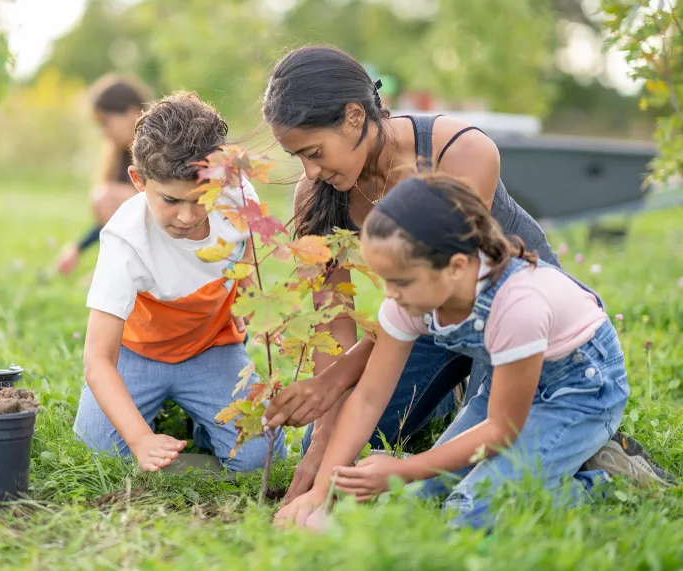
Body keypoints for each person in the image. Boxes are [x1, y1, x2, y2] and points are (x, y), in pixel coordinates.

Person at [260, 44, 673, 503]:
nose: (309, 171)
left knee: (482, 454)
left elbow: (450, 283)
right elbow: (336, 319)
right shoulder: (318, 192)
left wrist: (335, 382)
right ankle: (450, 401)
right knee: (343, 441)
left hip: (506, 315)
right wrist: (322, 435)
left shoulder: (462, 152)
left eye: (314, 152)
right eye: (297, 157)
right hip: (425, 314)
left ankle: (589, 450)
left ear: (354, 116)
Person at [272, 172, 634, 529]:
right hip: (506, 393)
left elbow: (501, 429)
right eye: (384, 279)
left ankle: (606, 484)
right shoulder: (411, 299)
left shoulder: (518, 304)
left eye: (400, 281)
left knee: (472, 511)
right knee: (422, 497)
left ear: (456, 266)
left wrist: (402, 468)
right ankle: (552, 463)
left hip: (578, 390)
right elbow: (368, 398)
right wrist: (321, 493)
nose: (389, 294)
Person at [72, 91, 287, 473]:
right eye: (171, 200)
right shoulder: (124, 240)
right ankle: (154, 423)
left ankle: (205, 424)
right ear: (139, 180)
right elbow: (98, 361)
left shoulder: (237, 198)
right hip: (137, 356)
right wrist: (139, 440)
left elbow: (249, 257)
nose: (187, 217)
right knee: (98, 454)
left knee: (260, 458)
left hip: (211, 348)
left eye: (201, 198)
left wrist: (249, 301)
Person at [53, 74, 150, 276]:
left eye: (106, 122)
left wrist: (137, 199)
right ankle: (118, 267)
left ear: (132, 112)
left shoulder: (158, 150)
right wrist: (77, 248)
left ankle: (133, 270)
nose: (104, 132)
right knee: (103, 196)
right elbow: (113, 219)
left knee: (108, 196)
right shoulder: (122, 155)